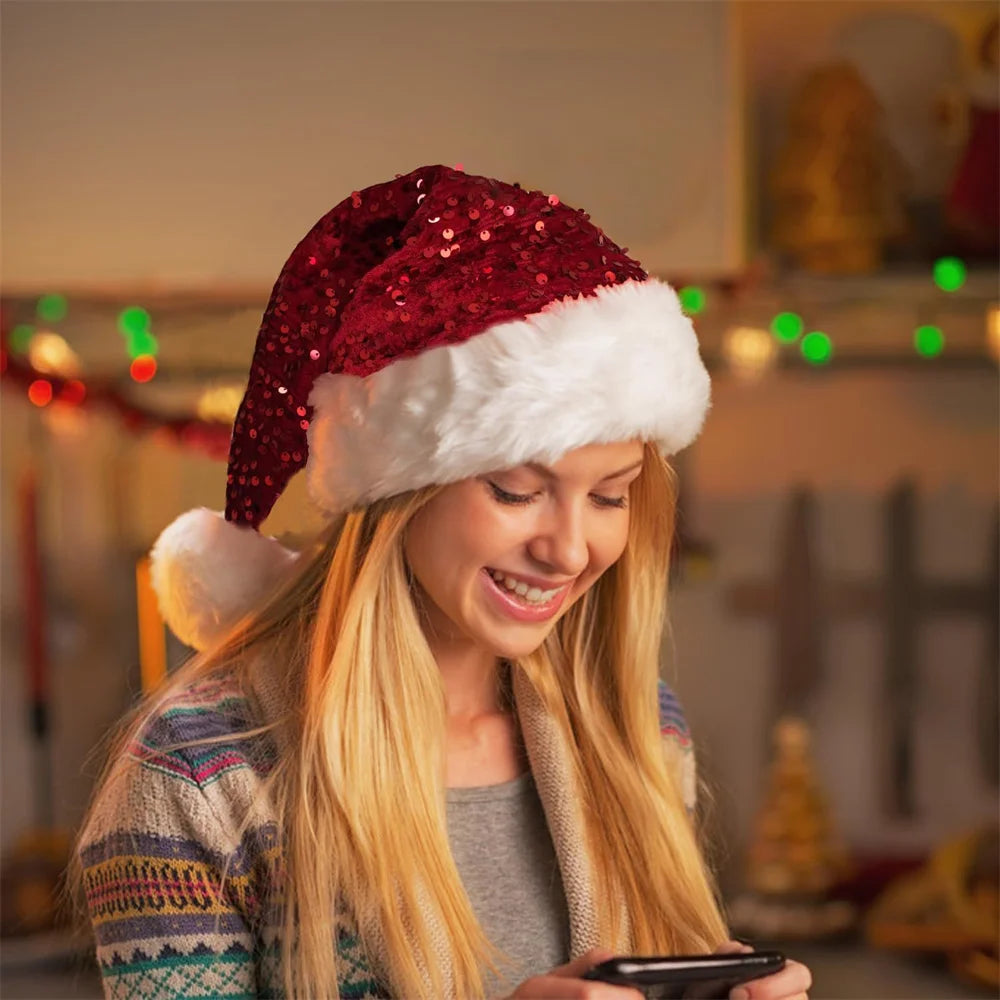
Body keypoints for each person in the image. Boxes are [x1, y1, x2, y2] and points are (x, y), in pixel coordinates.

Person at [74, 164, 812, 1000]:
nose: (570, 551)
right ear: (401, 492)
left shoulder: (638, 724)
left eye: (611, 496)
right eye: (517, 492)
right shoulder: (200, 775)